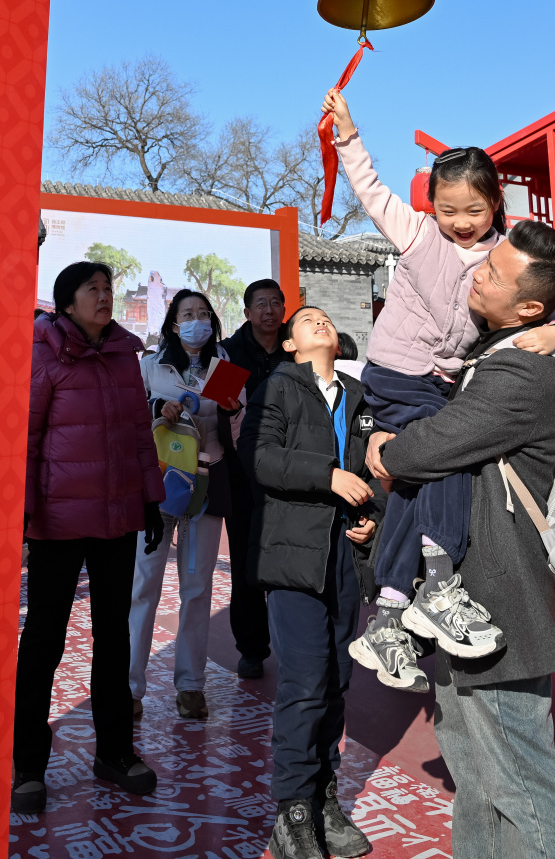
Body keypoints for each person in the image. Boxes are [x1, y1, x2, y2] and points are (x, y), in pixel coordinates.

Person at [320, 89, 555, 692]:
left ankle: (389, 610)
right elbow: (369, 189)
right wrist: (347, 136)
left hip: (440, 380)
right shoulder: (417, 235)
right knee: (446, 463)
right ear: (430, 204)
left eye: (474, 210)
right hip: (400, 372)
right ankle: (436, 582)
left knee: (415, 482)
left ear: (496, 203)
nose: (460, 222)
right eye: (447, 209)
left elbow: (551, 294)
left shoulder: (505, 254)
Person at [376, 221, 555, 859]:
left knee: (524, 784)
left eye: (494, 274)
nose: (478, 274)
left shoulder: (519, 373)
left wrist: (384, 448)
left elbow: (424, 449)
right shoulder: (499, 354)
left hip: (499, 602)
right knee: (475, 779)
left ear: (529, 308)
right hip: (465, 603)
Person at [13, 261, 166, 815]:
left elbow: (140, 436)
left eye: (108, 288)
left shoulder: (125, 355)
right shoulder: (43, 354)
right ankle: (28, 763)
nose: (104, 297)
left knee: (113, 639)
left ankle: (115, 753)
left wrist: (150, 500)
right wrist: (22, 512)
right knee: (44, 641)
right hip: (56, 523)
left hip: (115, 519)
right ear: (66, 303)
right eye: (92, 289)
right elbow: (27, 439)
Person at [242, 304, 380, 859]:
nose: (320, 322)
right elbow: (259, 458)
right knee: (304, 681)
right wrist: (327, 476)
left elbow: (373, 473)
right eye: (307, 321)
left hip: (344, 558)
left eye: (325, 318)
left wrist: (373, 516)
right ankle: (293, 811)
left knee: (338, 679)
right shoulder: (278, 387)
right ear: (290, 345)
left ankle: (325, 798)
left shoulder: (360, 396)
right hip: (293, 558)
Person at [129, 289, 238, 721]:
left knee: (197, 589)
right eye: (187, 314)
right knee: (143, 586)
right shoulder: (151, 365)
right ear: (174, 324)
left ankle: (191, 685)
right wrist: (157, 407)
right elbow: (129, 416)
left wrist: (233, 409)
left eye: (203, 314)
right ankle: (130, 687)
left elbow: (237, 426)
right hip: (158, 488)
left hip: (205, 488)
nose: (197, 321)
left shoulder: (224, 366)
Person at [217, 277, 289, 678]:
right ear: (247, 312)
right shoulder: (228, 354)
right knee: (246, 561)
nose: (269, 310)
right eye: (261, 304)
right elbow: (218, 412)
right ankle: (251, 648)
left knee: (288, 558)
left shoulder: (295, 349)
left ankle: (294, 645)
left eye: (275, 303)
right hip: (242, 474)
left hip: (289, 470)